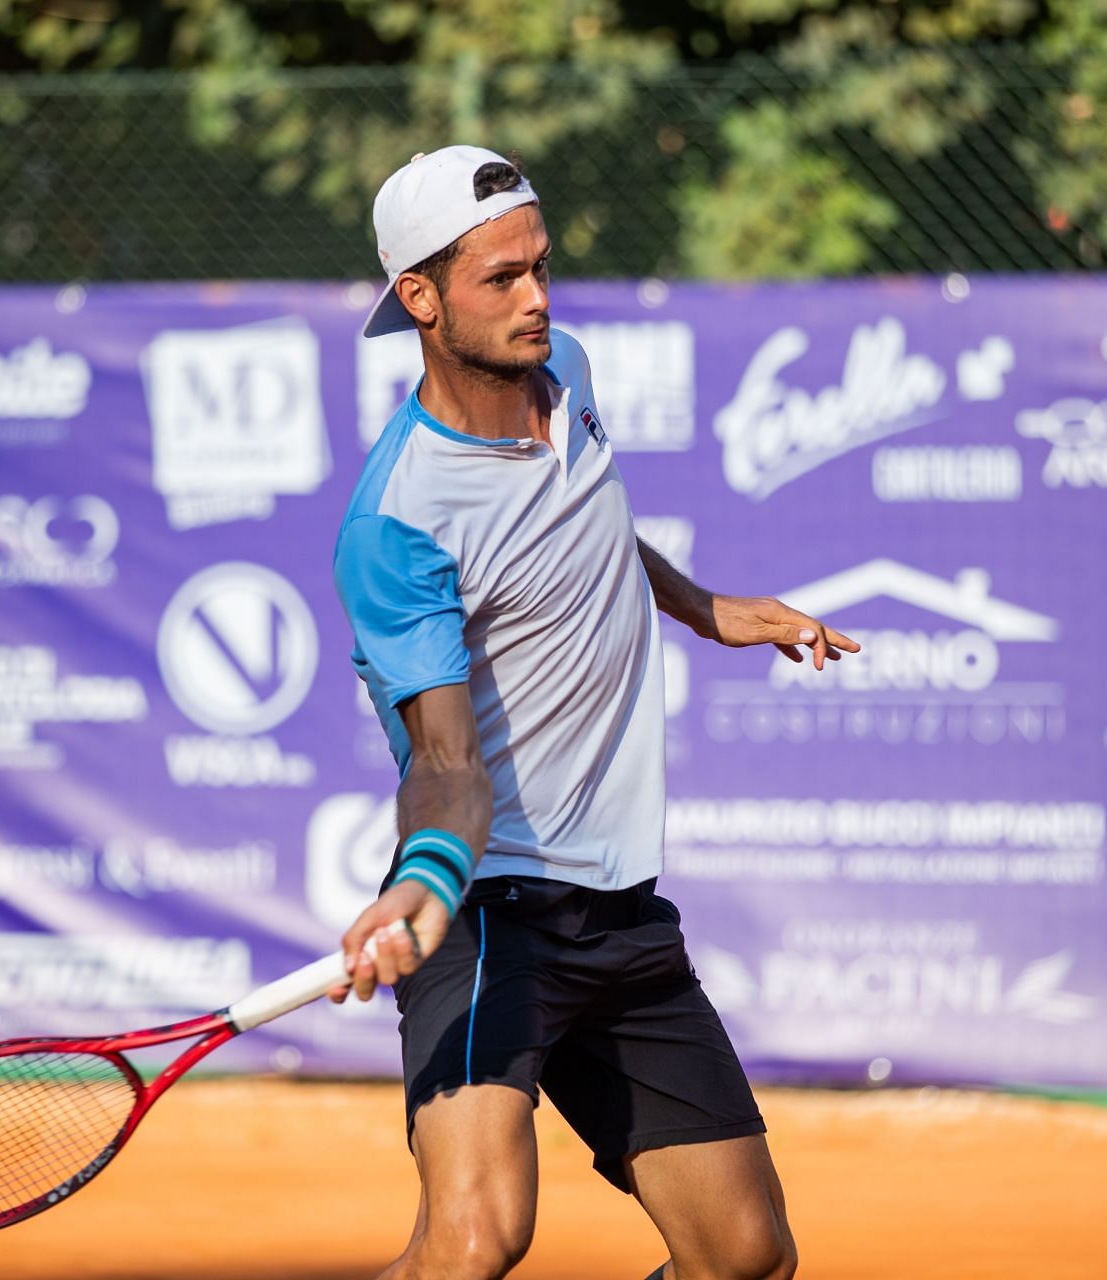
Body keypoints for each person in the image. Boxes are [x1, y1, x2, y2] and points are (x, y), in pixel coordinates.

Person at [330, 145, 857, 1280]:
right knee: (475, 1240)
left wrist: (706, 607)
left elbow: (583, 531)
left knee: (745, 1255)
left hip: (619, 913)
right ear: (420, 299)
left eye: (541, 267)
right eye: (500, 279)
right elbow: (445, 759)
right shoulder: (399, 522)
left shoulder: (565, 370)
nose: (536, 298)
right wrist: (424, 880)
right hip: (485, 913)